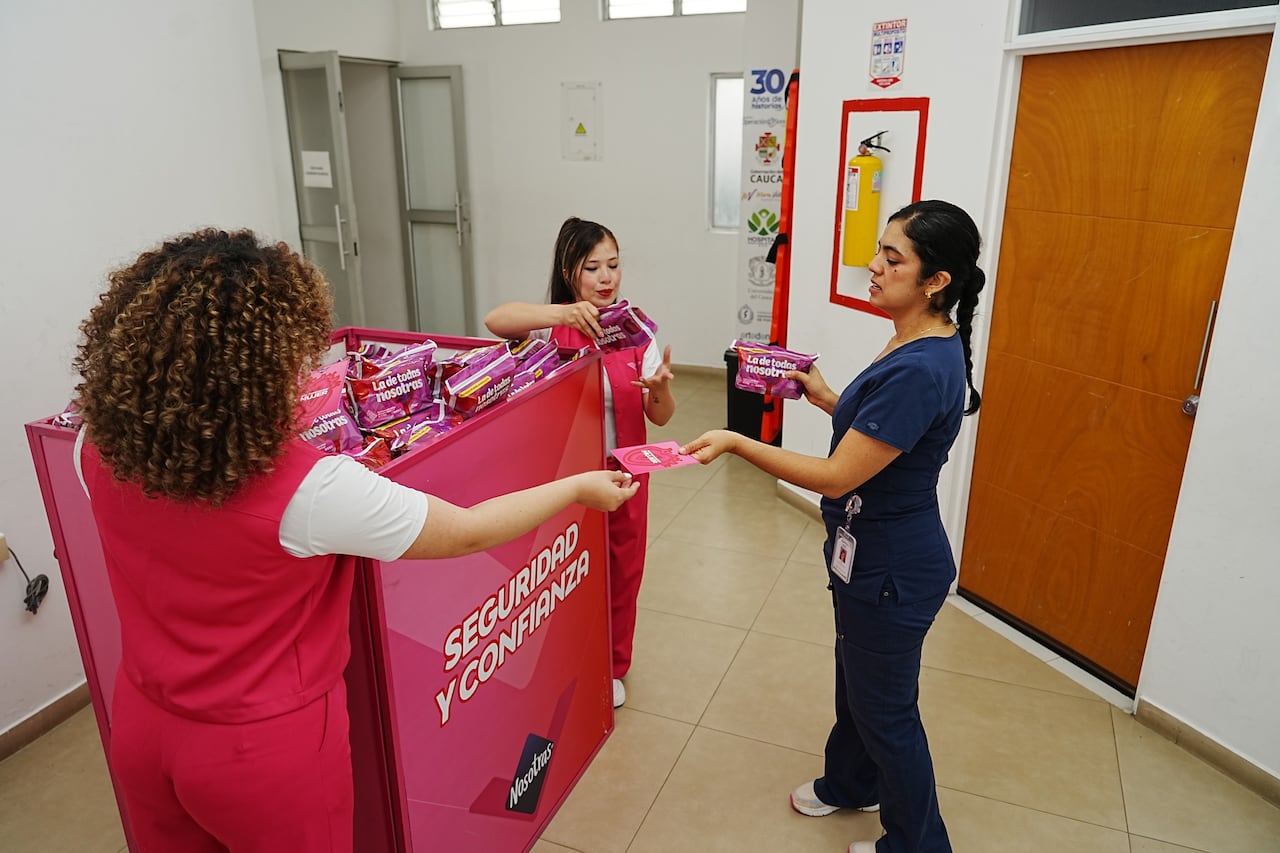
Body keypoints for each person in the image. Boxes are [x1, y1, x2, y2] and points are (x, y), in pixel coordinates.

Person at [72, 227, 639, 853]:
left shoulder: (94, 449)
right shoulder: (309, 490)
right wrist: (576, 489)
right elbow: (468, 530)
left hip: (141, 728)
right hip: (259, 753)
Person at [682, 200, 985, 853]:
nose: (873, 267)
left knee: (887, 711)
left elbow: (836, 474)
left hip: (893, 569)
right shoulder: (914, 334)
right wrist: (824, 396)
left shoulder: (923, 365)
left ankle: (917, 844)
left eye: (893, 258)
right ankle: (851, 782)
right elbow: (877, 430)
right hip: (870, 555)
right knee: (858, 682)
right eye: (879, 249)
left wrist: (738, 441)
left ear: (936, 280)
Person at [484, 216, 675, 709]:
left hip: (626, 474)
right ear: (571, 272)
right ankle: (564, 658)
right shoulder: (553, 331)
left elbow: (660, 416)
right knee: (566, 570)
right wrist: (563, 316)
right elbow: (496, 320)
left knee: (623, 570)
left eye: (614, 265)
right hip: (566, 476)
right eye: (593, 268)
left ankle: (612, 666)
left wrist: (662, 390)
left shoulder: (635, 333)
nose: (607, 278)